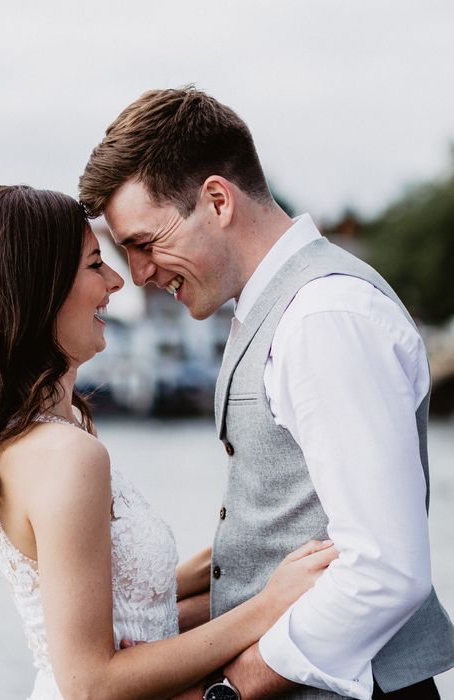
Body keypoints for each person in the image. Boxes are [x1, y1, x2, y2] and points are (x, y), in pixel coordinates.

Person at [78, 86, 454, 700]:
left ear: (217, 201)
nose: (137, 274)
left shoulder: (323, 318)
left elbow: (386, 569)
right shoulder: (274, 310)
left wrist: (229, 691)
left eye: (144, 243)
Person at [0, 185, 337, 699]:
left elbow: (117, 598)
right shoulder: (66, 456)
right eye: (96, 264)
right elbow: (91, 684)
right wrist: (267, 606)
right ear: (37, 290)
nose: (118, 281)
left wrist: (239, 556)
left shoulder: (42, 432)